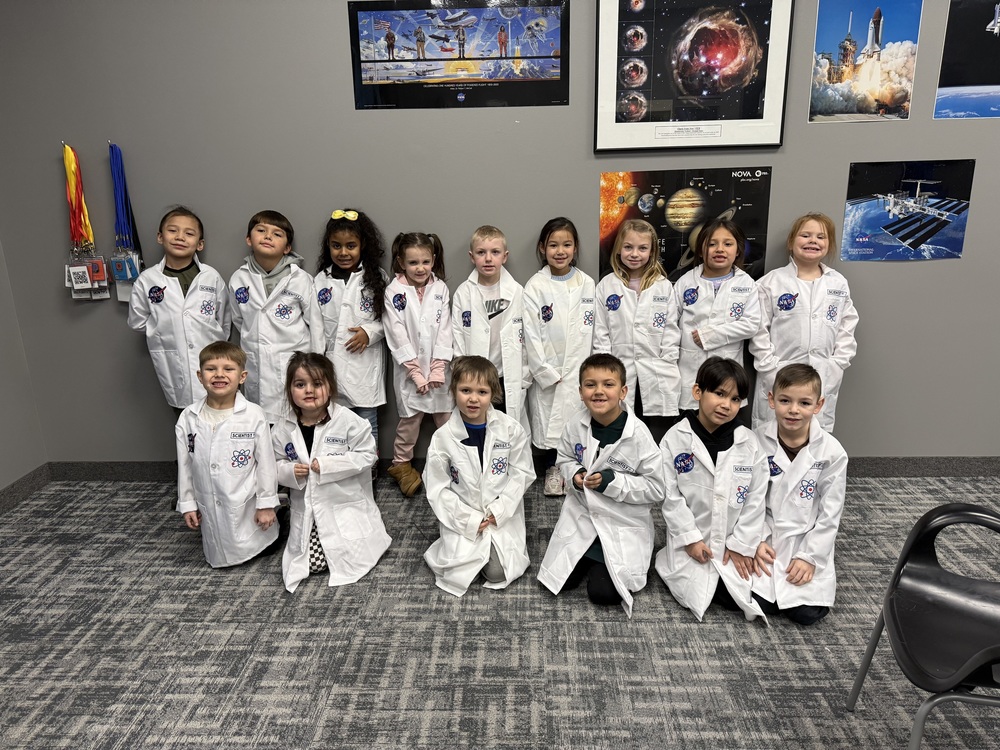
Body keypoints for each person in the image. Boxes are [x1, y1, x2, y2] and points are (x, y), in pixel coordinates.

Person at [537, 354, 664, 617]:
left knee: (603, 594)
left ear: (623, 391)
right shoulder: (575, 424)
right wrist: (575, 475)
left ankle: (597, 558)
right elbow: (565, 458)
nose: (599, 391)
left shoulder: (638, 436)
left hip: (621, 520)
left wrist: (612, 482)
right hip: (583, 515)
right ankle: (587, 554)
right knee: (560, 581)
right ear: (581, 392)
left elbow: (656, 488)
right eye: (590, 384)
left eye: (608, 384)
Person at [655, 357, 767, 622]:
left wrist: (740, 544)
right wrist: (691, 539)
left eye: (735, 399)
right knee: (703, 589)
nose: (726, 405)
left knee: (735, 598)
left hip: (731, 543)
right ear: (697, 392)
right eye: (719, 394)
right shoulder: (675, 439)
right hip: (694, 540)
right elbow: (670, 497)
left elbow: (756, 499)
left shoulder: (748, 444)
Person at [271, 352, 391, 593]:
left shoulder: (349, 421)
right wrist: (289, 471)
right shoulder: (284, 427)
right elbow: (272, 463)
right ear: (290, 390)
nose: (309, 391)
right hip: (307, 507)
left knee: (347, 557)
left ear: (330, 387)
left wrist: (328, 466)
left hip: (342, 503)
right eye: (300, 384)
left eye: (317, 384)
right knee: (311, 563)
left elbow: (368, 455)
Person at [423, 356, 533, 596]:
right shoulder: (443, 438)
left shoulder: (510, 429)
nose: (473, 398)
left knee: (498, 573)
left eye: (482, 392)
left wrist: (499, 510)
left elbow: (522, 473)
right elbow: (436, 489)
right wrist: (469, 520)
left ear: (493, 393)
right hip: (463, 514)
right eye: (465, 390)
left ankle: (491, 550)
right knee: (460, 572)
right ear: (453, 391)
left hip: (500, 514)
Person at [751, 363, 848, 626]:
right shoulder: (755, 441)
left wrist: (809, 557)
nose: (793, 410)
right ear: (771, 400)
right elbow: (749, 500)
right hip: (767, 536)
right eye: (785, 400)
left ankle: (805, 569)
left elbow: (830, 514)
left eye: (804, 403)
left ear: (818, 406)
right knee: (759, 604)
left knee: (806, 614)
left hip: (805, 536)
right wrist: (756, 539)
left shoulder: (832, 452)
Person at [749, 213, 859, 432]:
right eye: (805, 235)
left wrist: (837, 364)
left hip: (822, 372)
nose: (813, 241)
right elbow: (758, 329)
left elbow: (847, 326)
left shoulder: (837, 283)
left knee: (815, 439)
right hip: (780, 371)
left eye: (821, 237)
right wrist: (769, 367)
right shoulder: (771, 282)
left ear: (829, 245)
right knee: (771, 437)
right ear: (791, 242)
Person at [176, 342, 279, 568]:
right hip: (208, 500)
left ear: (242, 377)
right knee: (218, 538)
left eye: (228, 369)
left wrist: (266, 504)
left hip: (246, 504)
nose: (219, 374)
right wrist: (188, 503)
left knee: (254, 540)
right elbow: (184, 466)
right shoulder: (188, 418)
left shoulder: (253, 415)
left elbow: (266, 466)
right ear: (200, 376)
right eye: (211, 369)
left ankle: (270, 529)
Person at [128, 207, 230, 410]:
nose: (180, 237)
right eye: (173, 231)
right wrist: (165, 331)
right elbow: (138, 321)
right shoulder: (148, 280)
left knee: (222, 424)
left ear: (200, 244)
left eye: (189, 233)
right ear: (160, 237)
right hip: (172, 362)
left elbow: (224, 320)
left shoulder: (211, 277)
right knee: (188, 429)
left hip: (213, 361)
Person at [523, 217, 596, 496]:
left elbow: (593, 329)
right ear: (543, 248)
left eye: (566, 244)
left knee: (579, 422)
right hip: (549, 371)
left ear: (575, 248)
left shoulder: (587, 284)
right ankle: (554, 469)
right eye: (553, 245)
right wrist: (545, 371)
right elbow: (530, 334)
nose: (560, 251)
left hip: (580, 368)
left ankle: (577, 469)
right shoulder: (535, 286)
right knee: (551, 427)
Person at [229, 210, 324, 423]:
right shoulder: (238, 279)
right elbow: (239, 320)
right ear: (248, 239)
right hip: (256, 362)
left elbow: (316, 325)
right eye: (261, 231)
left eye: (277, 234)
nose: (268, 236)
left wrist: (316, 366)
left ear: (287, 247)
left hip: (294, 360)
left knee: (296, 419)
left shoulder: (300, 279)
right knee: (260, 422)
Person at [594, 219, 680, 442]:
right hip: (621, 369)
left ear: (652, 252)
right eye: (628, 247)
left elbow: (671, 330)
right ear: (618, 249)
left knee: (656, 433)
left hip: (657, 370)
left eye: (643, 248)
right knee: (622, 427)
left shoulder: (663, 286)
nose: (635, 254)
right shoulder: (607, 285)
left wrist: (667, 359)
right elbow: (601, 332)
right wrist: (606, 369)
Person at [383, 231, 453, 496]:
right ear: (401, 262)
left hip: (439, 370)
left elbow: (445, 328)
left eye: (425, 261)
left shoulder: (440, 289)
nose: (420, 268)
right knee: (409, 423)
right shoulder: (394, 291)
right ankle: (401, 465)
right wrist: (414, 371)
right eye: (413, 263)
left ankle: (453, 463)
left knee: (447, 420)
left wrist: (437, 367)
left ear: (433, 260)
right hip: (409, 372)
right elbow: (396, 333)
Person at [314, 208, 388, 450]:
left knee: (367, 423)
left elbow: (393, 320)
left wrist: (370, 332)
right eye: (336, 246)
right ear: (328, 246)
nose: (343, 252)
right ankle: (340, 469)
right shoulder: (320, 281)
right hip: (331, 364)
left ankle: (369, 471)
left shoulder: (377, 278)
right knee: (334, 423)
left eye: (350, 246)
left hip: (364, 366)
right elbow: (314, 324)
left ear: (362, 245)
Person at [674, 218, 760, 416]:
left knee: (724, 426)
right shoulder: (685, 282)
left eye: (727, 244)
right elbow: (670, 325)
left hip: (728, 372)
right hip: (689, 371)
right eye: (711, 244)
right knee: (690, 430)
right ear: (700, 249)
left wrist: (711, 335)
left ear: (738, 250)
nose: (719, 249)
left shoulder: (746, 284)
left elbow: (751, 324)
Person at [451, 225, 530, 432]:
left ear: (505, 256)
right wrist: (460, 372)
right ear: (471, 256)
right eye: (481, 252)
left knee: (505, 429)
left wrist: (524, 375)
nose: (488, 258)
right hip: (474, 377)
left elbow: (528, 338)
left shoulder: (517, 292)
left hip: (506, 376)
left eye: (495, 252)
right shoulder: (463, 293)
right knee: (476, 428)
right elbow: (457, 336)